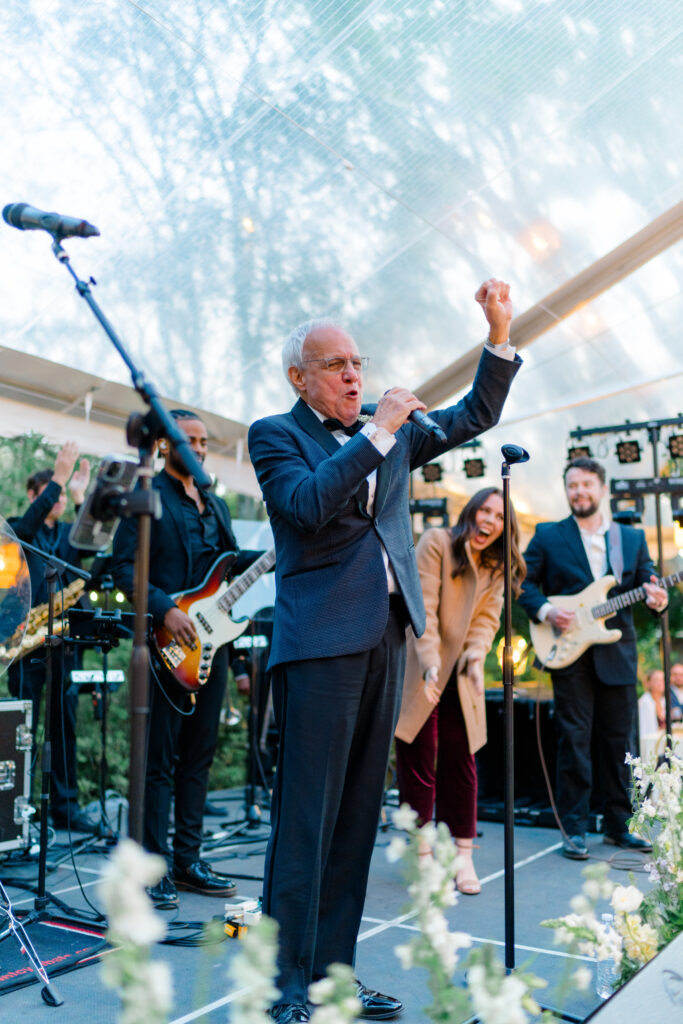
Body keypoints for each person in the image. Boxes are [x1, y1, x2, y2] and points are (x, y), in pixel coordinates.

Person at [248, 278, 521, 1023]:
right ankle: (285, 985)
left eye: (357, 363)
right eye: (334, 364)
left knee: (356, 822)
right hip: (316, 648)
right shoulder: (275, 434)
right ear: (298, 376)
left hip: (383, 642)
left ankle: (333, 976)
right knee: (306, 822)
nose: (352, 376)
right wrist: (376, 434)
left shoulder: (388, 429)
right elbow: (305, 507)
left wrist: (497, 333)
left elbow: (475, 414)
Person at [111, 409, 260, 905]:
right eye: (188, 440)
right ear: (166, 445)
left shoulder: (215, 505)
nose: (197, 448)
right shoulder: (150, 495)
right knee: (157, 761)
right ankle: (152, 866)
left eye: (203, 442)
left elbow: (229, 572)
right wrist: (163, 607)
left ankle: (188, 860)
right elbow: (121, 568)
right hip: (163, 648)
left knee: (199, 756)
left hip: (211, 650)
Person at [518, 456, 668, 860]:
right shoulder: (548, 535)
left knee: (622, 743)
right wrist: (548, 611)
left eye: (586, 485)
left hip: (616, 652)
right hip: (569, 654)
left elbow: (651, 586)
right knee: (575, 741)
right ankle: (575, 828)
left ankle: (621, 827)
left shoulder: (630, 540)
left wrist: (658, 599)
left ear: (603, 489)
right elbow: (523, 585)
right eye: (572, 485)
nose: (579, 492)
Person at [394, 487, 525, 895]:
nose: (489, 519)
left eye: (499, 516)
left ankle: (462, 857)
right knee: (419, 759)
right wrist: (432, 663)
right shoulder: (437, 542)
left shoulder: (497, 565)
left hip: (461, 672)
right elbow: (424, 608)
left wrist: (475, 655)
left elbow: (488, 619)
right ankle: (423, 858)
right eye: (484, 510)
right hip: (424, 661)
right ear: (471, 511)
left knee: (462, 760)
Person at [6, 442, 92, 832]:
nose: (54, 502)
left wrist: (79, 499)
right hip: (26, 647)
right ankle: (18, 811)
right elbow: (25, 527)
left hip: (62, 644)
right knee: (24, 729)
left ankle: (65, 807)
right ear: (33, 495)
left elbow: (88, 547)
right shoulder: (18, 531)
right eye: (50, 495)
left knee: (64, 727)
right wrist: (59, 476)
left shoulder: (66, 537)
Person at [637, 668, 665, 738]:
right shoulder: (645, 703)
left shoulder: (663, 701)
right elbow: (644, 732)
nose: (660, 683)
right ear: (648, 683)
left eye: (663, 680)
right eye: (656, 680)